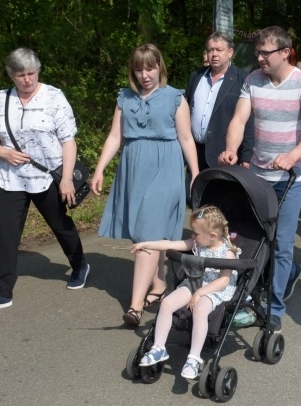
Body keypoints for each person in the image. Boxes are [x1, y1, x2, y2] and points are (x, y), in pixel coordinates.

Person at [219, 26, 301, 334]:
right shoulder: (253, 80)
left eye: (265, 53)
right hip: (259, 174)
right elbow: (239, 119)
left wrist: (293, 156)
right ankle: (252, 291)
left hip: (291, 175)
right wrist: (231, 148)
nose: (259, 57)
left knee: (281, 242)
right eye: (258, 52)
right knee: (253, 237)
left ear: (285, 52)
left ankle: (275, 307)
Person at [91, 44, 200, 327]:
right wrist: (100, 169)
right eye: (139, 69)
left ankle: (135, 306)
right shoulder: (124, 98)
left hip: (166, 166)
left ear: (159, 67)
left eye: (149, 68)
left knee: (149, 230)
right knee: (141, 231)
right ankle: (159, 285)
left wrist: (196, 173)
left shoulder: (176, 98)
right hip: (133, 167)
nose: (144, 74)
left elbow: (186, 138)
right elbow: (115, 136)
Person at [0, 48, 88, 314]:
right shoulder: (2, 99)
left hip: (47, 176)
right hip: (10, 178)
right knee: (6, 234)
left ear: (38, 71)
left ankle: (80, 264)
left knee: (60, 225)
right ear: (11, 75)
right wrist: (2, 151)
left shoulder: (54, 97)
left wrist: (67, 179)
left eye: (31, 73)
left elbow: (68, 141)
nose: (27, 79)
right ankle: (2, 293)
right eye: (21, 75)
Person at [131, 206, 238, 379]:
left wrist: (200, 293)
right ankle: (159, 348)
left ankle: (194, 358)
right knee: (166, 303)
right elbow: (170, 245)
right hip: (195, 282)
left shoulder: (227, 253)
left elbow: (224, 280)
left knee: (200, 309)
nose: (192, 236)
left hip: (215, 289)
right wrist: (146, 244)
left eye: (195, 233)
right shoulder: (198, 243)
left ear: (212, 236)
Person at [185, 32, 253, 171]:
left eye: (219, 50)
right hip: (194, 153)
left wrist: (246, 156)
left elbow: (248, 121)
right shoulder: (196, 76)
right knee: (192, 192)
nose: (214, 54)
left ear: (230, 52)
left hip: (223, 155)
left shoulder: (243, 80)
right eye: (210, 50)